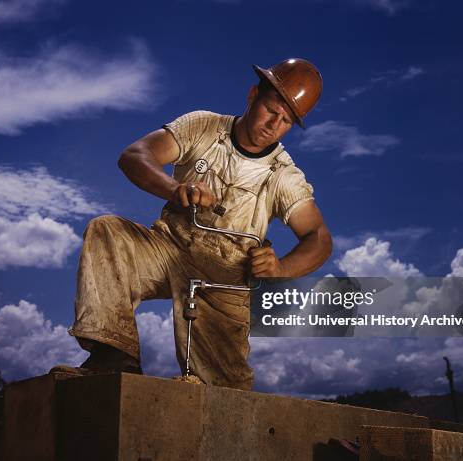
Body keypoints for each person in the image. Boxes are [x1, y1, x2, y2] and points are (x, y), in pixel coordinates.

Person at [51, 58, 332, 390]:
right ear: (253, 94)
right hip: (168, 247)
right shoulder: (203, 126)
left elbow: (318, 238)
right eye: (272, 110)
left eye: (286, 121)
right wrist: (175, 188)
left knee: (225, 396)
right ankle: (113, 356)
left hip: (224, 280)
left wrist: (281, 269)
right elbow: (135, 155)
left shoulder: (284, 175)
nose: (274, 124)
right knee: (107, 230)